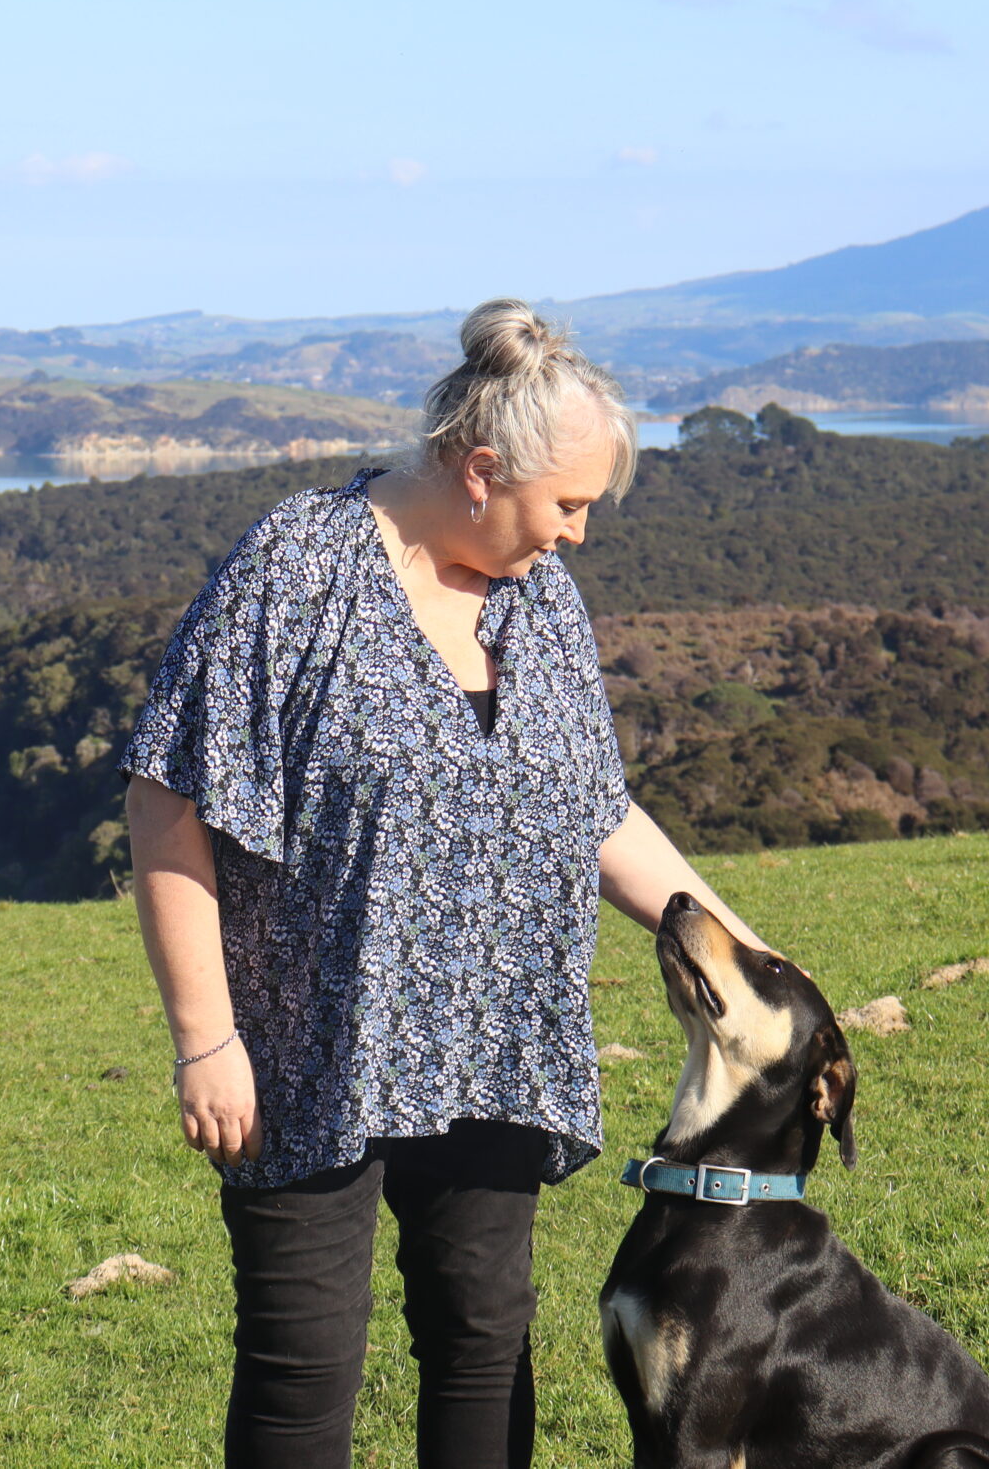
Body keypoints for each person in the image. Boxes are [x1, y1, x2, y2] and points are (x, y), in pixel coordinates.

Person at [122, 299, 773, 1469]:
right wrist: (204, 1037)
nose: (576, 534)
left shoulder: (541, 601)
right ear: (480, 472)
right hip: (305, 1049)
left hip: (493, 1046)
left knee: (483, 1345)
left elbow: (597, 811)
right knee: (299, 1369)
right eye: (565, 504)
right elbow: (170, 795)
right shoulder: (296, 570)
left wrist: (746, 946)